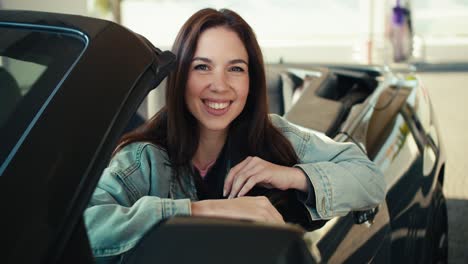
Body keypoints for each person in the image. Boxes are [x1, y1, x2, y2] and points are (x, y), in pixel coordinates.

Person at [84, 8, 386, 260]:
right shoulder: (142, 159)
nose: (220, 85)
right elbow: (83, 229)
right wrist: (201, 211)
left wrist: (291, 175)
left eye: (236, 69)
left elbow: (369, 178)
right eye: (202, 67)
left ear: (251, 80)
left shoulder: (275, 134)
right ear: (180, 77)